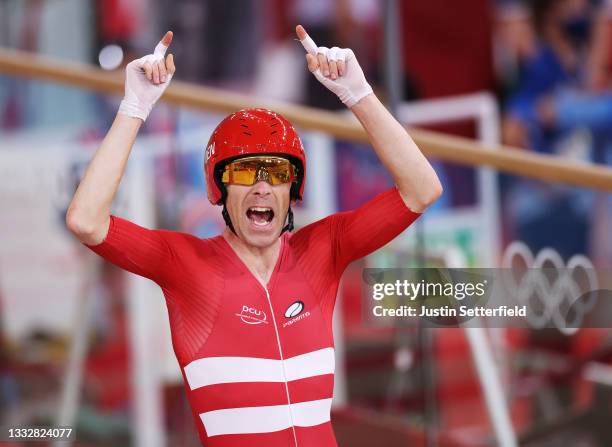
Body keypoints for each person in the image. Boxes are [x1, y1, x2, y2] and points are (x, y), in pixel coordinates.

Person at [66, 25, 442, 447]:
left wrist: (358, 94)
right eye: (245, 172)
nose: (263, 187)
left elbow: (421, 189)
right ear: (218, 190)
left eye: (277, 173)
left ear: (292, 191)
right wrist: (134, 107)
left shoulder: (325, 247)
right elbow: (87, 220)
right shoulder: (185, 263)